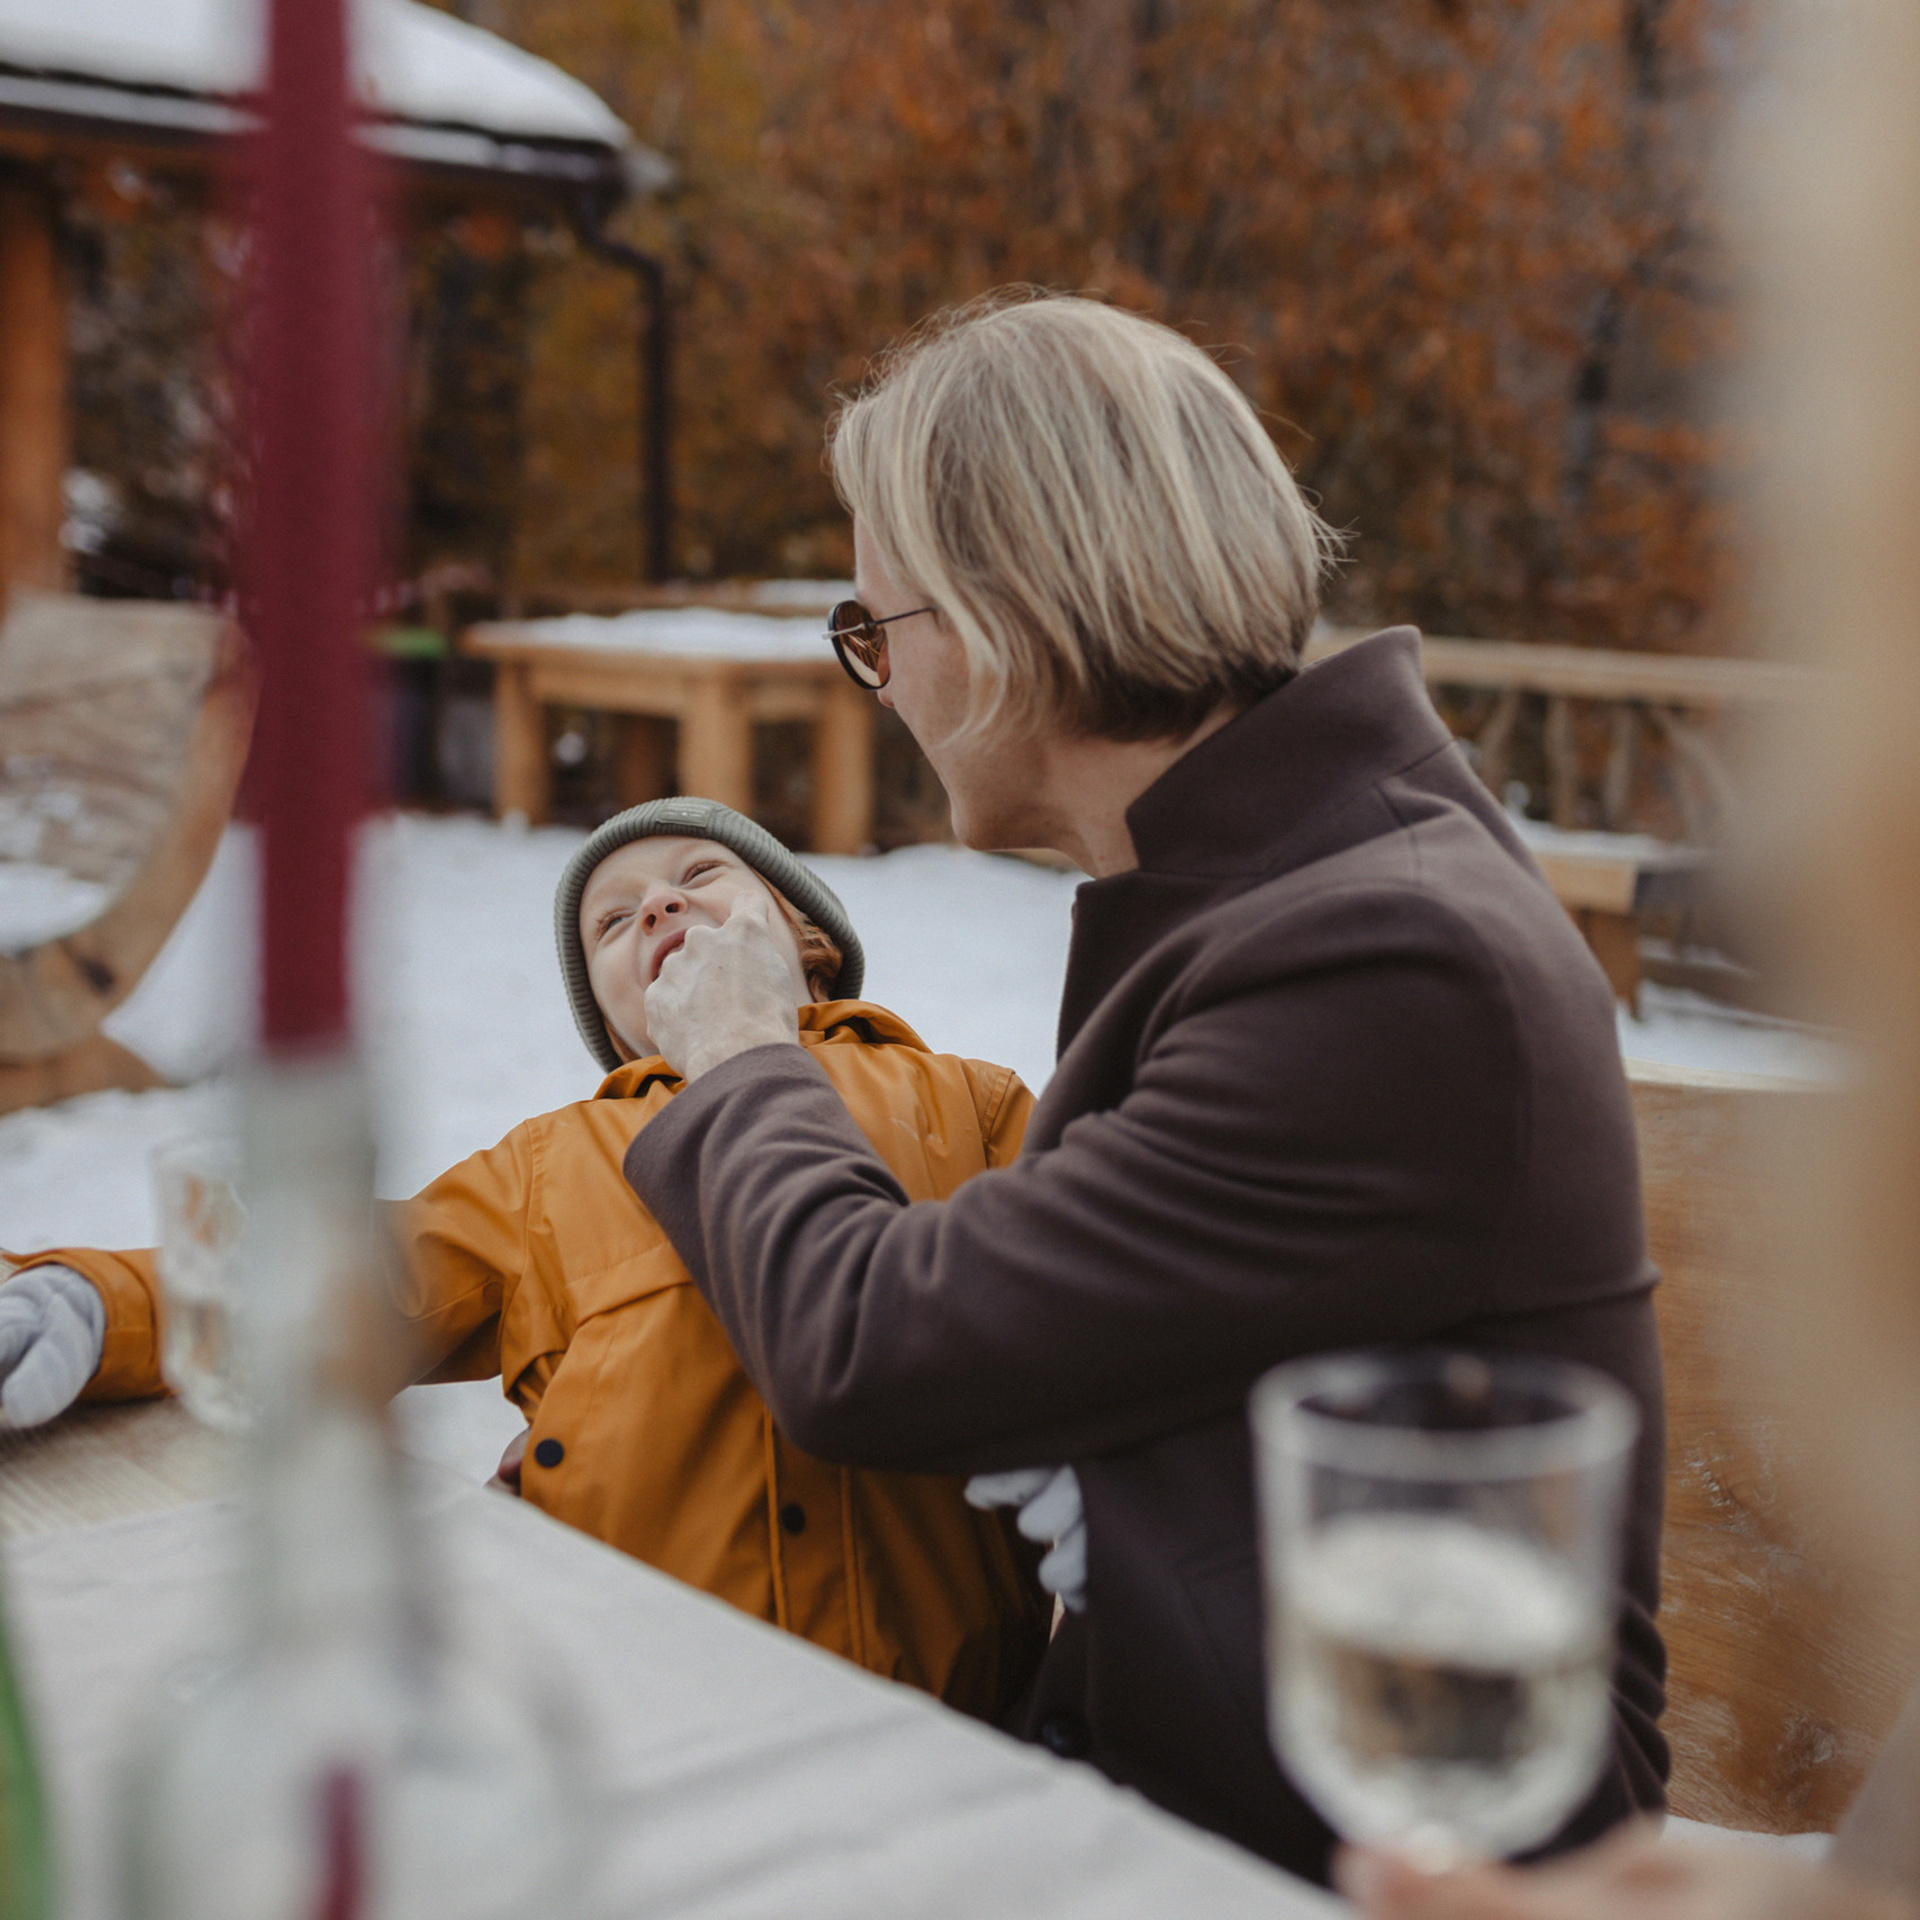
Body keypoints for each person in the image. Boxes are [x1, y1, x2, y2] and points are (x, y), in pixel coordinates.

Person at [619, 292, 1670, 1883]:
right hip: (1185, 1780)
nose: (880, 688)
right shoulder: (1285, 880)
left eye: (875, 631)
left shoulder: (1387, 959)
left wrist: (750, 1052)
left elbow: (869, 1343)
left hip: (1382, 1862)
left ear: (999, 616)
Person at [0, 798, 1049, 1721]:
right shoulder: (550, 1172)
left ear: (806, 936)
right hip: (646, 1711)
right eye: (612, 921)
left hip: (956, 1717)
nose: (656, 910)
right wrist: (97, 1304)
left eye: (698, 877)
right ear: (611, 1021)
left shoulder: (968, 1102)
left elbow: (1094, 1300)